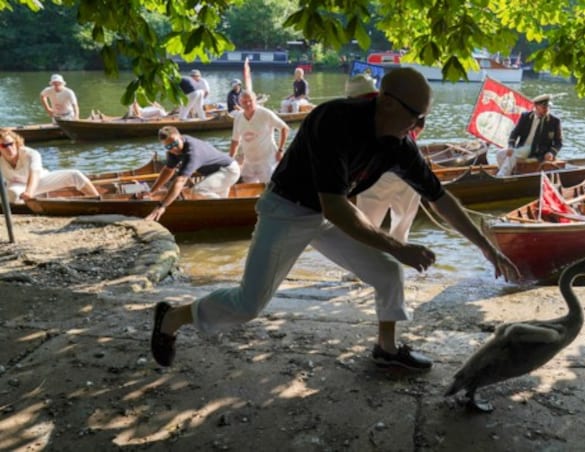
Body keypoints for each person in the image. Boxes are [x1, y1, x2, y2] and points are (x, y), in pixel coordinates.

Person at [150, 68, 521, 371]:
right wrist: (400, 246)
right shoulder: (334, 121)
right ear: (387, 102)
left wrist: (486, 247)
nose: (419, 126)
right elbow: (336, 208)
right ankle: (171, 318)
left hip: (330, 211)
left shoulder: (399, 144)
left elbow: (441, 199)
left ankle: (386, 349)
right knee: (249, 305)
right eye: (416, 117)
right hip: (289, 208)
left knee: (388, 272)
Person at [351, 73, 423, 243]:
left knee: (367, 227)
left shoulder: (357, 113)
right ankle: (396, 263)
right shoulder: (398, 103)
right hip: (413, 170)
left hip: (381, 173)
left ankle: (366, 266)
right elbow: (419, 124)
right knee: (401, 231)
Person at [141, 126, 240, 222]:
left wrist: (161, 206)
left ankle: (234, 213)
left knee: (197, 190)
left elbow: (180, 181)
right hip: (214, 174)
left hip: (228, 171)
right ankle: (227, 217)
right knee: (218, 204)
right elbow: (168, 170)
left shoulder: (192, 152)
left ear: (180, 137)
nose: (174, 149)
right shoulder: (173, 152)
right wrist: (151, 191)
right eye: (169, 146)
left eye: (175, 143)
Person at [0, 128, 99, 203]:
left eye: (10, 144)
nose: (9, 148)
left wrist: (29, 192)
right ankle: (27, 212)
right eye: (4, 146)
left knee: (75, 175)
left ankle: (98, 201)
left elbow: (34, 174)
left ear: (16, 143)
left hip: (40, 180)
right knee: (12, 194)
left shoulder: (31, 154)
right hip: (18, 185)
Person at [228, 90, 290, 183]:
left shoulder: (265, 113)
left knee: (269, 187)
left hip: (267, 160)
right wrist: (230, 159)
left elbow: (284, 128)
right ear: (240, 103)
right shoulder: (238, 117)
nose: (248, 104)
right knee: (246, 189)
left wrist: (280, 150)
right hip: (249, 161)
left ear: (255, 101)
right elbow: (235, 141)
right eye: (244, 102)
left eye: (250, 100)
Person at [497, 94, 562, 175]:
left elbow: (558, 142)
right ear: (536, 106)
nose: (547, 109)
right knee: (500, 154)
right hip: (522, 147)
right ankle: (508, 175)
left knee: (513, 154)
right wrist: (511, 146)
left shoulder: (555, 121)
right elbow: (514, 133)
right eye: (544, 107)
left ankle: (501, 176)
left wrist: (551, 153)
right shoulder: (525, 116)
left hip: (539, 152)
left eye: (548, 107)